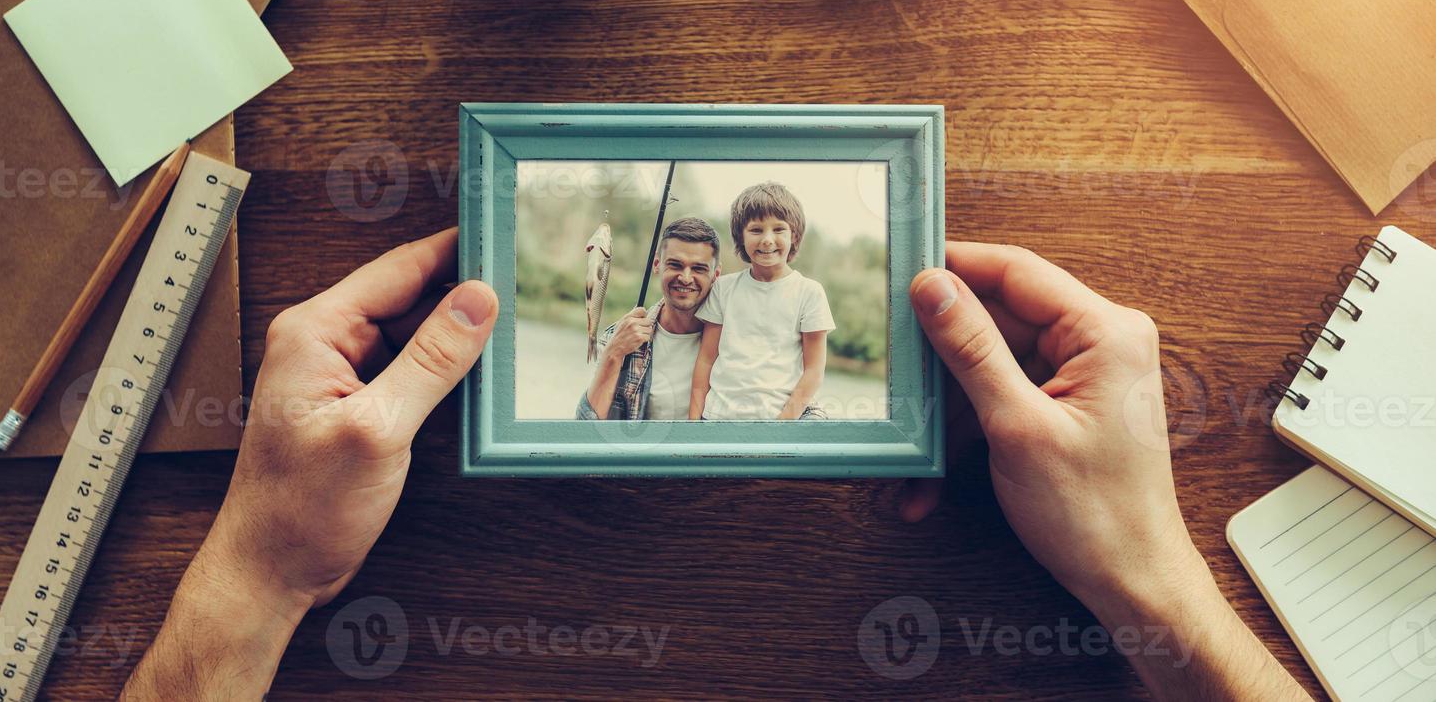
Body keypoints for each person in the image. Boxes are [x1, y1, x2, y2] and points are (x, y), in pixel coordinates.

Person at [120, 232, 1308, 700]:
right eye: (677, 271)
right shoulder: (638, 324)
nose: (687, 281)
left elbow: (745, 399)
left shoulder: (752, 322)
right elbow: (590, 415)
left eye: (698, 271)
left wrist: (256, 574)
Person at [688, 182, 834, 421]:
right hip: (717, 418)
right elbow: (705, 361)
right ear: (740, 236)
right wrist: (693, 424)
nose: (767, 239)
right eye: (756, 230)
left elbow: (814, 372)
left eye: (779, 229)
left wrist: (782, 425)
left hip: (777, 421)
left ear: (794, 235)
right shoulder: (724, 288)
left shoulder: (810, 292)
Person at [576, 216, 721, 420]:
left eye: (698, 268)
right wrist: (613, 353)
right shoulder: (620, 337)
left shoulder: (730, 342)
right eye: (675, 265)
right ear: (656, 265)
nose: (686, 278)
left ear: (716, 274)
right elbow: (585, 432)